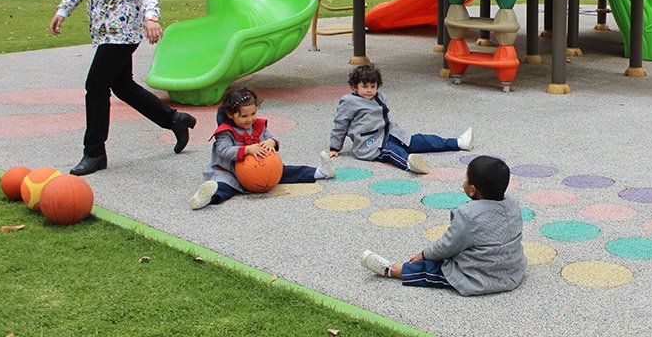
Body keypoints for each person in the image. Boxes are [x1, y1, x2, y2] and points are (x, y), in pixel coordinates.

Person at [49, 0, 197, 176]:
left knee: (96, 84)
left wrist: (151, 18)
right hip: (102, 29)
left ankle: (94, 153)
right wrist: (62, 10)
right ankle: (174, 120)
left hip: (124, 29)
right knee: (122, 85)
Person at [360, 155, 526, 295]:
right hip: (512, 269)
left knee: (433, 269)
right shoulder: (512, 203)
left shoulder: (468, 215)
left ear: (473, 190)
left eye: (466, 178)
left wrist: (424, 254)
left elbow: (448, 245)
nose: (464, 181)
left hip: (481, 276)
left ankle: (392, 269)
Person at [189, 87, 337, 209]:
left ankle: (320, 172)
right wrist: (247, 149)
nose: (250, 119)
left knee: (286, 172)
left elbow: (271, 137)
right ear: (230, 115)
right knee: (226, 187)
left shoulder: (258, 125)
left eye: (253, 113)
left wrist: (271, 142)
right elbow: (224, 151)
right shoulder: (225, 132)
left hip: (263, 169)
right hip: (231, 172)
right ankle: (207, 197)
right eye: (244, 116)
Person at [329, 64, 473, 174]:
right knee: (391, 152)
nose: (369, 90)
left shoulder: (379, 96)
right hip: (372, 143)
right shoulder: (349, 102)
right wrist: (335, 147)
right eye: (364, 86)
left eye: (373, 86)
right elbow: (340, 124)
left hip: (392, 133)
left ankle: (459, 143)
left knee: (421, 140)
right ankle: (409, 164)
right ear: (354, 87)